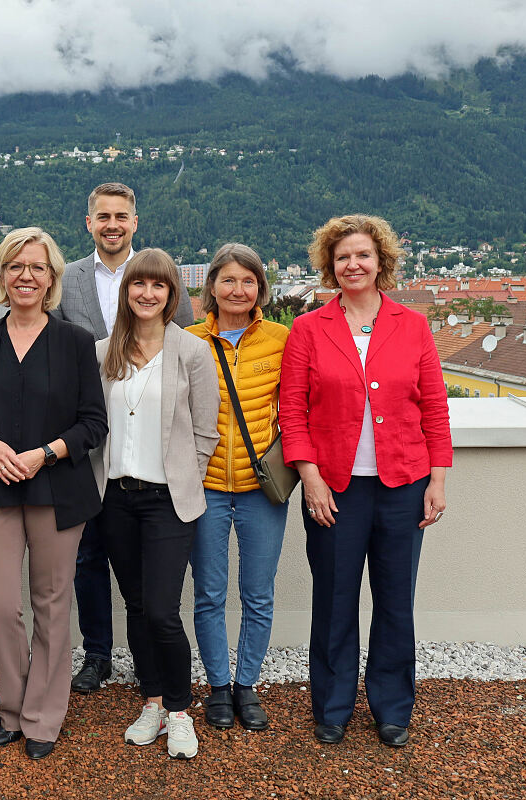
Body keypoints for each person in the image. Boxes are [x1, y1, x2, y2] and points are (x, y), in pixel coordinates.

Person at [280, 214, 451, 748]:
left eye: (363, 255)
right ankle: (331, 707)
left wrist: (437, 480)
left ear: (381, 262)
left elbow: (435, 411)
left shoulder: (413, 325)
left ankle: (392, 708)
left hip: (403, 486)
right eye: (342, 257)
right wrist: (310, 478)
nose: (353, 264)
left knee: (396, 601)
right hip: (335, 487)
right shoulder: (309, 329)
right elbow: (293, 412)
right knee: (334, 600)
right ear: (329, 267)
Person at [0, 227, 107, 760]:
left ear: (52, 279)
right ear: (2, 275)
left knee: (51, 605)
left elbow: (93, 424)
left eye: (36, 268)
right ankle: (14, 708)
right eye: (16, 266)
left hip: (58, 489)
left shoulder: (75, 342)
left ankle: (45, 716)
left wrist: (45, 453)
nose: (26, 276)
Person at [57, 182, 194, 695]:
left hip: (152, 457)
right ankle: (96, 653)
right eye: (102, 217)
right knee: (87, 558)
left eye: (121, 216)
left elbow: (185, 350)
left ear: (134, 222)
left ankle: (151, 667)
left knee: (148, 585)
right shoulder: (66, 280)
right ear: (88, 223)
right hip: (85, 449)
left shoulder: (160, 276)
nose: (112, 224)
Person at [92, 248, 218, 760]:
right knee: (138, 606)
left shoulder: (190, 352)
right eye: (138, 285)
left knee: (164, 610)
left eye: (158, 286)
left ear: (172, 294)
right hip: (115, 499)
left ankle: (181, 710)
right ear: (126, 292)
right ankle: (152, 703)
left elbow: (205, 432)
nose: (147, 293)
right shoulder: (104, 352)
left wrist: (187, 476)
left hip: (168, 501)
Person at [186, 243, 290, 732]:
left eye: (248, 281)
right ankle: (218, 686)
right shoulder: (187, 340)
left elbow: (296, 407)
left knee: (258, 594)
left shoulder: (280, 339)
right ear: (211, 287)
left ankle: (247, 683)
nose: (238, 290)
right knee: (208, 593)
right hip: (204, 487)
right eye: (228, 280)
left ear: (260, 289)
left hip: (260, 489)